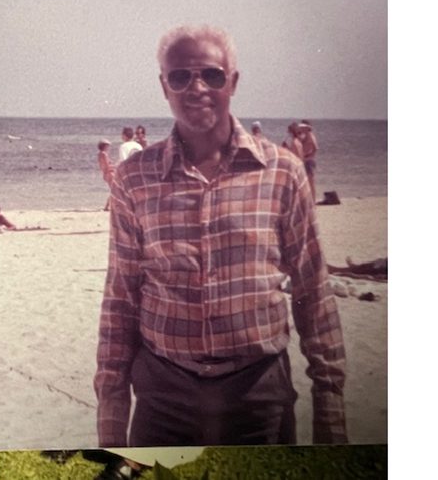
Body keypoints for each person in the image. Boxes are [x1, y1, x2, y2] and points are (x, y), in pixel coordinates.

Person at [94, 24, 346, 448]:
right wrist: (111, 425)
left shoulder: (282, 172)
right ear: (164, 86)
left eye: (211, 75)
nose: (196, 88)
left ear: (233, 81)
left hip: (259, 396)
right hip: (162, 399)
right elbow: (121, 298)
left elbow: (313, 293)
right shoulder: (135, 178)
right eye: (180, 76)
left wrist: (332, 420)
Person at [298, 120, 319, 199]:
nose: (301, 128)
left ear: (307, 128)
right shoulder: (305, 135)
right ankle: (308, 199)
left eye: (303, 127)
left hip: (309, 161)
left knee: (311, 181)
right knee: (306, 181)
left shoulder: (310, 135)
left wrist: (310, 156)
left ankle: (313, 200)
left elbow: (316, 148)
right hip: (306, 159)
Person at [98, 139, 115, 211]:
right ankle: (107, 207)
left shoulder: (100, 154)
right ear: (104, 146)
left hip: (107, 174)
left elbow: (103, 166)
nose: (108, 147)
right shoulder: (104, 154)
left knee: (114, 190)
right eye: (107, 146)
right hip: (109, 173)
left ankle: (108, 206)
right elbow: (107, 166)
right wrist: (117, 166)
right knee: (114, 190)